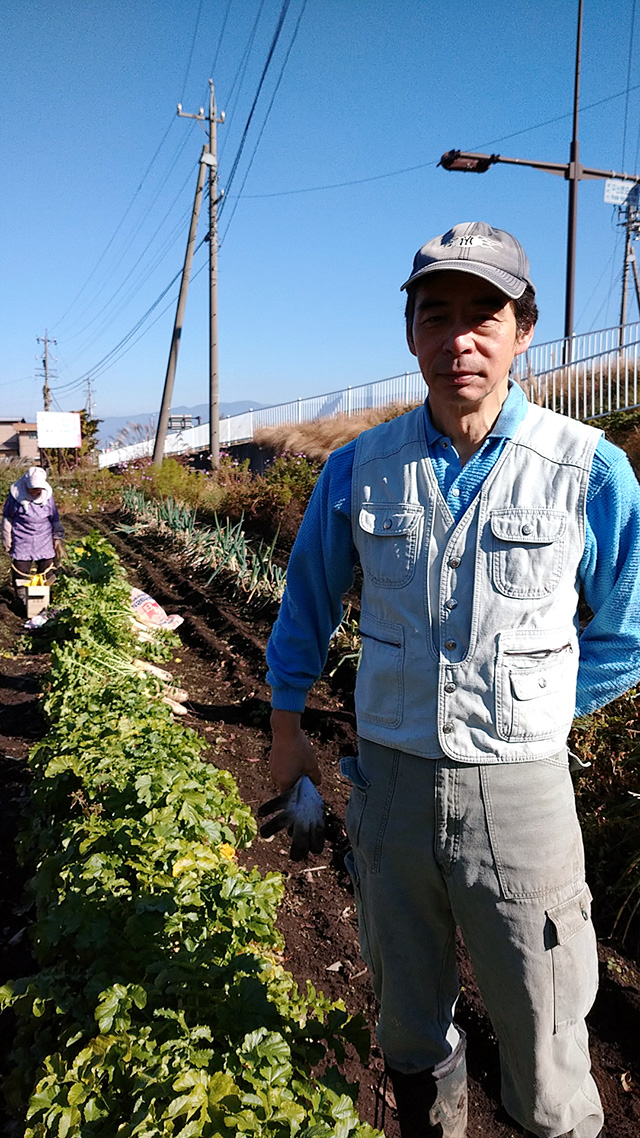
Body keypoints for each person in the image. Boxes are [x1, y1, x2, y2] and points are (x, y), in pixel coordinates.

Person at [264, 222, 640, 1138]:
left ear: (524, 331)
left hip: (523, 799)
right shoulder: (359, 467)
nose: (459, 339)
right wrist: (284, 724)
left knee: (546, 1032)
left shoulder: (587, 470)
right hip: (389, 788)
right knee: (405, 1017)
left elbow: (624, 634)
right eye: (438, 316)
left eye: (485, 315)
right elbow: (305, 602)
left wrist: (539, 710)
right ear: (410, 335)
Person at [2, 465, 64, 590]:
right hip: (22, 539)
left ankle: (44, 600)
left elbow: (54, 518)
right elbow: (7, 518)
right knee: (21, 572)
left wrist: (57, 536)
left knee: (46, 571)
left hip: (44, 539)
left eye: (39, 489)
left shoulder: (47, 497)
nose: (36, 491)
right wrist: (7, 538)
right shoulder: (16, 497)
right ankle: (21, 598)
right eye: (33, 489)